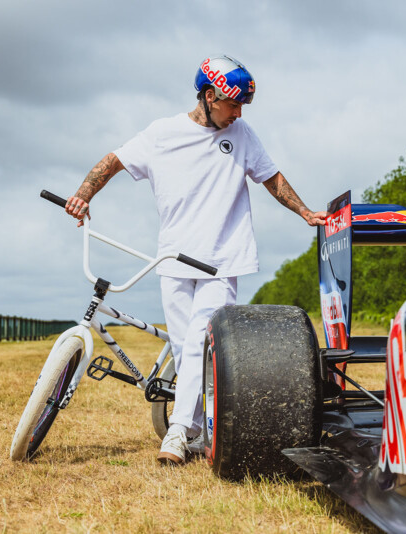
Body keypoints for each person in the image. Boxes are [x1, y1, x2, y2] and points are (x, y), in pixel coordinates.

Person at [64, 54, 327, 465]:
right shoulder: (162, 134)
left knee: (201, 340)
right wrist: (83, 194)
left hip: (223, 260)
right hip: (173, 260)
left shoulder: (242, 135)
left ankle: (175, 434)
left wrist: (305, 212)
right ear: (208, 96)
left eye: (242, 107)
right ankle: (204, 428)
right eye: (233, 104)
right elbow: (113, 160)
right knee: (187, 348)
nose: (238, 113)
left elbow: (271, 177)